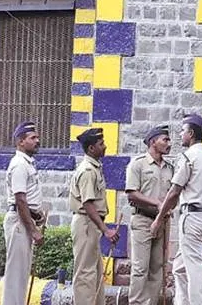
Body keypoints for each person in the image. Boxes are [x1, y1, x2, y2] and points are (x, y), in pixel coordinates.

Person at [150, 114, 202, 305]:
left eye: (183, 131)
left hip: (192, 217)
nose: (180, 135)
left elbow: (174, 191)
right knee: (180, 268)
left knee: (195, 270)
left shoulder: (188, 157)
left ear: (191, 134)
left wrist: (158, 219)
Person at [69, 127, 120, 305]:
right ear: (91, 148)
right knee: (85, 274)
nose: (105, 146)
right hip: (86, 223)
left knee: (96, 272)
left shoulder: (95, 168)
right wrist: (105, 230)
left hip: (91, 224)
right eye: (101, 144)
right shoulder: (88, 171)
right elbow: (88, 204)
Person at [125, 125, 174, 305]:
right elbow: (131, 194)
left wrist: (167, 208)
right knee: (140, 268)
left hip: (162, 222)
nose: (169, 143)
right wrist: (157, 204)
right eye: (165, 140)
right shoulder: (138, 164)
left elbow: (173, 194)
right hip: (142, 220)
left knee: (157, 268)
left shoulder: (169, 168)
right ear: (153, 142)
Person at [3, 122, 45, 305]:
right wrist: (33, 231)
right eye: (32, 138)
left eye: (37, 137)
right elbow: (20, 199)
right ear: (21, 141)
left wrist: (37, 217)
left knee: (22, 274)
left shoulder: (27, 163)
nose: (37, 141)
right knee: (16, 275)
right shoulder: (19, 165)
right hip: (19, 222)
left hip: (26, 220)